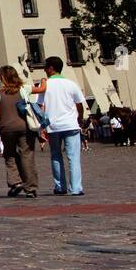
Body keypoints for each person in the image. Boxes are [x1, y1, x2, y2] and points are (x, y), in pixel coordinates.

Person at [34, 56, 86, 196]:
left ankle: (60, 187)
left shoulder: (44, 86)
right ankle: (75, 188)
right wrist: (79, 118)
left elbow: (38, 106)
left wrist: (41, 124)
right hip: (70, 125)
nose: (44, 70)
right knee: (74, 158)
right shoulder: (71, 84)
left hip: (53, 126)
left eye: (45, 67)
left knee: (56, 156)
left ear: (51, 68)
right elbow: (79, 104)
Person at [0, 65, 37, 198]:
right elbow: (41, 89)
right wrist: (44, 81)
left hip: (6, 128)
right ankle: (30, 188)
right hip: (24, 127)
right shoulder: (24, 89)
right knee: (26, 156)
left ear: (3, 78)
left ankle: (15, 182)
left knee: (9, 155)